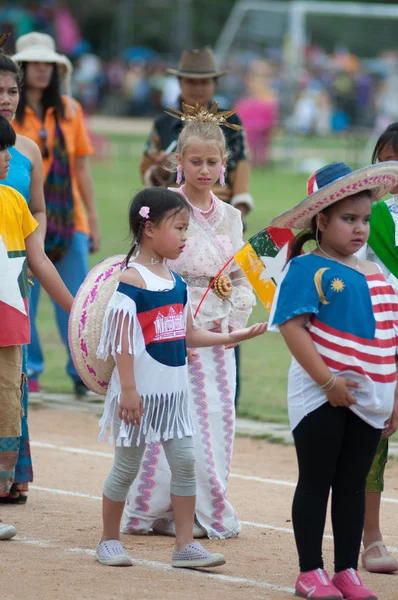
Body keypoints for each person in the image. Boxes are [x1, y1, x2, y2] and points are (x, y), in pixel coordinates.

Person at [94, 187, 266, 567]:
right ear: (150, 228)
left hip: (173, 395)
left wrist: (231, 336)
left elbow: (189, 334)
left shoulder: (175, 282)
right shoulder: (134, 279)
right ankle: (108, 540)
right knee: (126, 466)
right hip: (139, 395)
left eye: (188, 229)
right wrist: (129, 391)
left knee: (185, 461)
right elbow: (122, 340)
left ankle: (185, 545)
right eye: (180, 228)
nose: (186, 238)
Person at [123, 105, 256, 539]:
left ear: (225, 165)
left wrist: (236, 315)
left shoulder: (232, 217)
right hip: (170, 329)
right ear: (177, 161)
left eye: (212, 162)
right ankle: (155, 508)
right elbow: (151, 266)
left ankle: (204, 510)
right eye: (194, 161)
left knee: (215, 417)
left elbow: (240, 273)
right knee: (173, 418)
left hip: (217, 333)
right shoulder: (167, 208)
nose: (204, 169)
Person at [268, 161, 398, 600]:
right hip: (321, 398)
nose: (359, 229)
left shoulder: (380, 275)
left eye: (364, 220)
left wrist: (394, 397)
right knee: (317, 480)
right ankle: (310, 572)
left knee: (352, 485)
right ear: (321, 221)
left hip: (369, 401)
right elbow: (291, 327)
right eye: (348, 219)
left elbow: (390, 339)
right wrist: (328, 384)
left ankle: (346, 571)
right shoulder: (306, 268)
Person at [11, 32, 101, 399]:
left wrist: (93, 221)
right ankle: (29, 370)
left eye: (48, 63)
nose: (42, 70)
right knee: (25, 297)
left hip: (69, 221)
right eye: (34, 63)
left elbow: (82, 169)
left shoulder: (70, 110)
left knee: (76, 298)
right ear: (20, 69)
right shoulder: (10, 114)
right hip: (22, 219)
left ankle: (82, 370)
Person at [0, 115, 73, 537]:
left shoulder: (14, 202)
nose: (7, 157)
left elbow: (39, 261)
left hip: (10, 327)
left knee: (7, 412)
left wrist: (77, 310)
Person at [0, 39, 46, 504]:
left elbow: (37, 211)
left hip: (15, 276)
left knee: (13, 374)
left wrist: (34, 253)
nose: (6, 98)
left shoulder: (28, 149)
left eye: (12, 90)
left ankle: (12, 475)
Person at [355, 122, 398, 574]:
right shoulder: (366, 216)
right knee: (375, 439)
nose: (388, 174)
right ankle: (371, 538)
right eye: (383, 163)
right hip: (377, 340)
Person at [139, 47, 254, 217]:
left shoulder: (231, 123)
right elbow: (147, 173)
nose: (198, 88)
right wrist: (162, 169)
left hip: (221, 208)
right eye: (191, 82)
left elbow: (241, 169)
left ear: (215, 84)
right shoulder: (163, 123)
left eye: (204, 82)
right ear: (179, 83)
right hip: (175, 211)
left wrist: (237, 215)